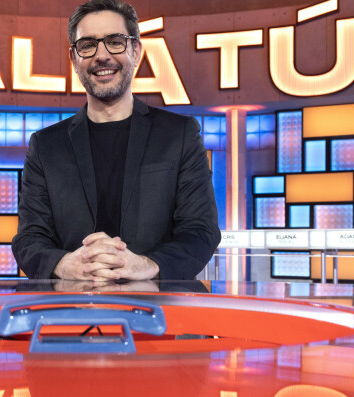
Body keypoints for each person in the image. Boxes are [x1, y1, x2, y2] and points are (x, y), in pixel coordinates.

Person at [11, 0, 220, 281]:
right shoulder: (45, 145)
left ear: (136, 50)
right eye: (87, 45)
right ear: (73, 58)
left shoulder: (179, 135)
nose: (102, 55)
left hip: (159, 304)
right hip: (71, 303)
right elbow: (29, 238)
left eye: (115, 42)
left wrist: (146, 265)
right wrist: (65, 264)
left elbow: (201, 230)